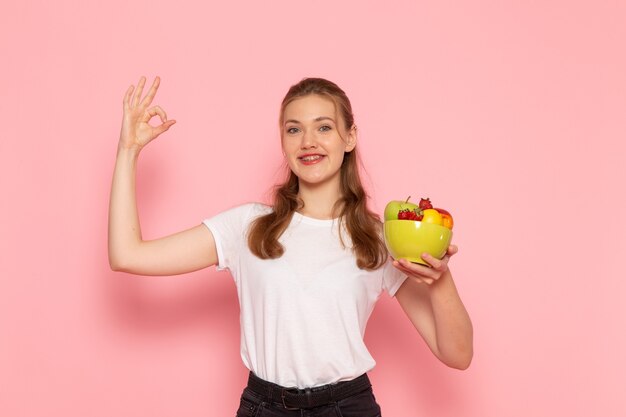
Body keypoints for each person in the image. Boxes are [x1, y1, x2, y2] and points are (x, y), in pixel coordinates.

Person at [108, 75, 473, 416]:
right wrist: (128, 150)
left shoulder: (379, 238)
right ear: (282, 141)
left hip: (348, 407)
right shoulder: (247, 226)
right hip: (263, 406)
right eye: (294, 129)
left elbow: (457, 354)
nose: (308, 141)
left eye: (324, 127)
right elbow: (127, 254)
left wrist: (440, 277)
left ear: (349, 137)